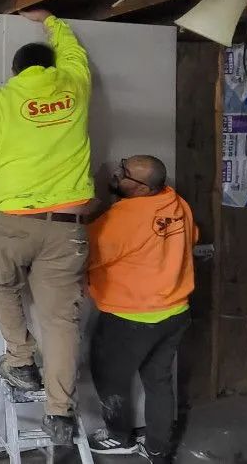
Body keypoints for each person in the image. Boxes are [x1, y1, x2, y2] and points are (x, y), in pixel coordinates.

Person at [0, 8, 93, 445]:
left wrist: (9, 157)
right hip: (68, 227)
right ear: (50, 68)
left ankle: (19, 361)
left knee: (0, 284)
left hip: (14, 222)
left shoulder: (0, 100)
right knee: (61, 322)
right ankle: (60, 414)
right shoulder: (74, 86)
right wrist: (54, 20)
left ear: (17, 71)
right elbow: (74, 55)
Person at [84, 155, 196, 464]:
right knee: (158, 381)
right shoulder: (176, 203)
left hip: (129, 317)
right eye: (122, 166)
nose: (117, 173)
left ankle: (120, 438)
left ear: (143, 188)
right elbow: (192, 237)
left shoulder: (122, 219)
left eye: (124, 173)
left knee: (110, 379)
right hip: (175, 312)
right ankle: (158, 449)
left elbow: (84, 254)